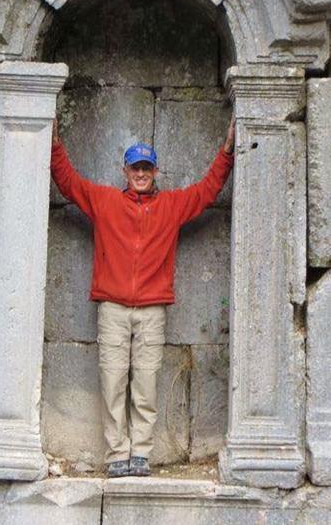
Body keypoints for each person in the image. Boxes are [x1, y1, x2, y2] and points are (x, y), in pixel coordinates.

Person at [51, 117, 235, 478]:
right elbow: (68, 183)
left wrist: (227, 151)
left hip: (152, 309)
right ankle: (117, 453)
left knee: (147, 384)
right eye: (135, 167)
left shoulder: (171, 205)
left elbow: (206, 191)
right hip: (113, 308)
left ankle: (141, 453)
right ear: (125, 170)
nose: (140, 173)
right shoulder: (105, 201)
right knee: (112, 380)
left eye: (146, 168)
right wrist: (54, 143)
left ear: (155, 171)